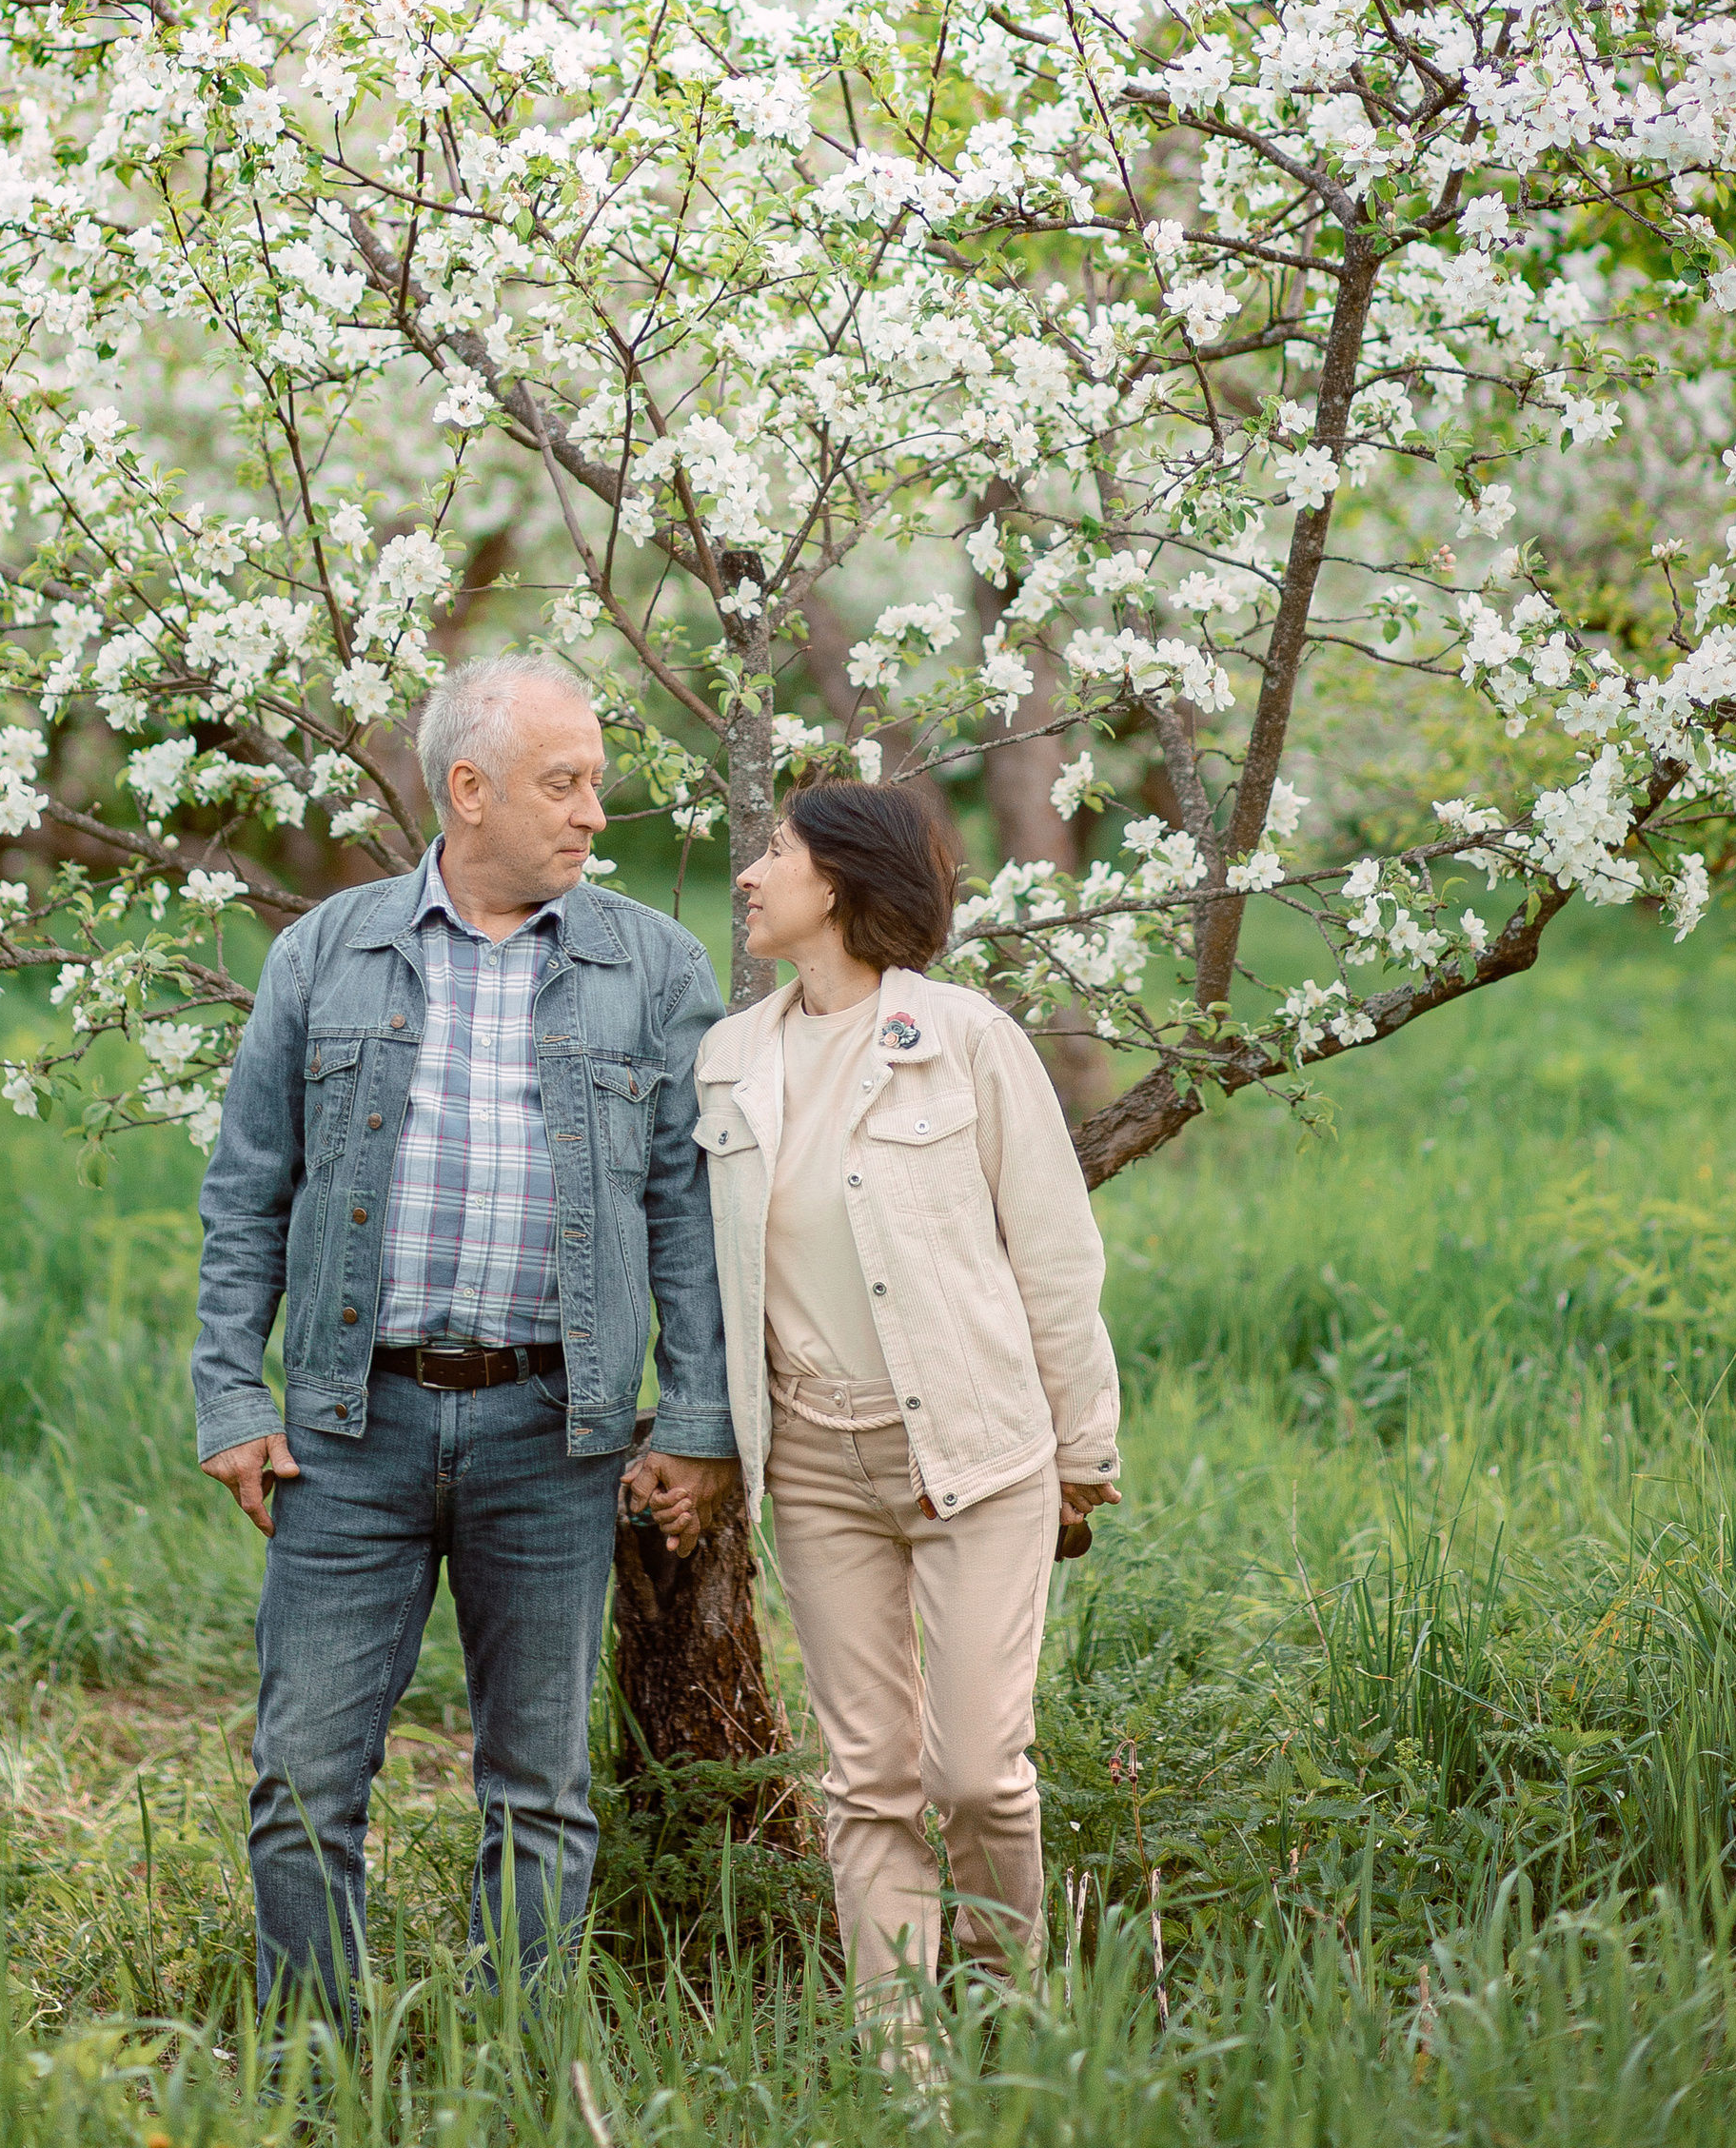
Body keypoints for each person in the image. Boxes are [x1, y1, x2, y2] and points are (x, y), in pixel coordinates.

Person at [191, 655, 738, 2017]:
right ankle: (315, 2079)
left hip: (554, 1434)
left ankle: (520, 2081)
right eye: (566, 783)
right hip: (343, 1431)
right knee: (302, 1780)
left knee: (540, 1793)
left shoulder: (654, 969)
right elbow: (248, 1186)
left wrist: (699, 1418)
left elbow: (689, 1212)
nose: (594, 814)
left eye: (598, 783)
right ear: (469, 790)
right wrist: (228, 1396)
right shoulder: (327, 949)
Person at [652, 781, 1120, 2034]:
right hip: (812, 1463)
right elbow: (704, 1268)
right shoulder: (730, 1060)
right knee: (868, 1783)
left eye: (778, 855)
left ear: (843, 886)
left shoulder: (964, 1038)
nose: (750, 875)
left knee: (978, 1780)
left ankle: (1012, 2008)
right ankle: (904, 2073)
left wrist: (1084, 1453)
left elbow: (1056, 1256)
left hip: (976, 1453)